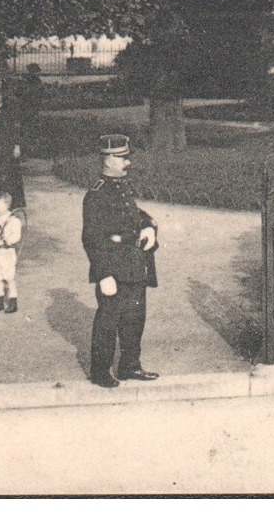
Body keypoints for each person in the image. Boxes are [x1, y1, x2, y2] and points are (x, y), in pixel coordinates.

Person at [82, 134, 159, 388]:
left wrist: (148, 226)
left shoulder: (122, 186)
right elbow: (91, 237)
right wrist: (103, 274)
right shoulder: (97, 194)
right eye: (122, 158)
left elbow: (135, 214)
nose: (128, 163)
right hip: (114, 267)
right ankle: (100, 370)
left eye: (127, 157)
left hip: (134, 262)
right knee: (109, 320)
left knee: (135, 317)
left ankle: (129, 366)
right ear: (107, 160)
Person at [0, 193, 25, 314]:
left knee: (9, 277)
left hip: (7, 252)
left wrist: (5, 241)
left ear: (7, 205)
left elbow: (16, 237)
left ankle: (12, 301)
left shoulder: (14, 220)